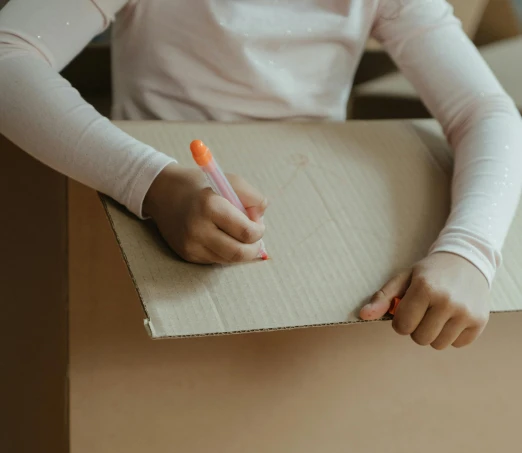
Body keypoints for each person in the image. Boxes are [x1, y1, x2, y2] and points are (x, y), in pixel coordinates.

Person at [1, 0, 521, 350]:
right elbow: (8, 56)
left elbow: (485, 112)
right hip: (141, 226)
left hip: (313, 223)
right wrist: (152, 183)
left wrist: (469, 251)